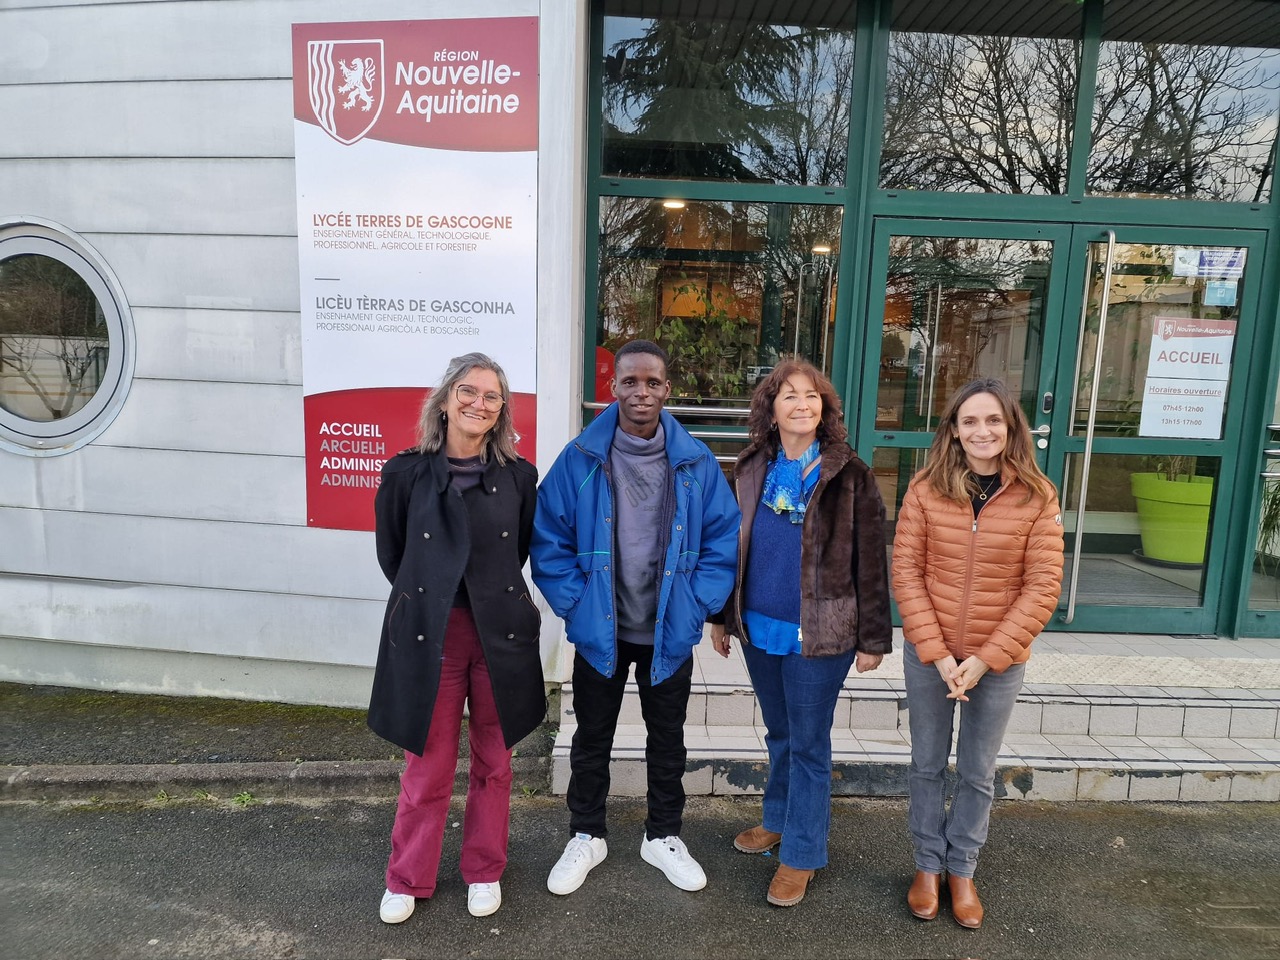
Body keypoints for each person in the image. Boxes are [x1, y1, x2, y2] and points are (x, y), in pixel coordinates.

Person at [531, 339, 739, 896]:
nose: (641, 392)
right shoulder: (580, 458)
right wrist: (576, 604)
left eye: (652, 382)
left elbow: (722, 539)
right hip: (601, 628)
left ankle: (663, 835)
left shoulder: (695, 461)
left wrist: (696, 603)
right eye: (630, 382)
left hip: (667, 630)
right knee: (591, 736)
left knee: (667, 739)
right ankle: (586, 834)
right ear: (613, 387)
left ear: (667, 388)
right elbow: (548, 538)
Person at [709, 359, 893, 907]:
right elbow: (728, 546)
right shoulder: (750, 467)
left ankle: (802, 854)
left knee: (809, 743)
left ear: (824, 409)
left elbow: (871, 562)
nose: (802, 404)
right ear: (771, 409)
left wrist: (873, 638)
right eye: (789, 395)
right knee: (780, 732)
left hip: (820, 632)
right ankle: (778, 819)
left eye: (812, 396)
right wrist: (721, 616)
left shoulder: (850, 475)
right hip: (758, 625)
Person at [369, 353, 544, 925]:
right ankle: (407, 877)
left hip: (500, 635)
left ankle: (484, 869)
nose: (478, 403)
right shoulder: (405, 473)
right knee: (428, 764)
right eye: (468, 391)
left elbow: (518, 551)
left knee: (495, 761)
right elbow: (395, 556)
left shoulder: (519, 476)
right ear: (445, 400)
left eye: (491, 396)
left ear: (501, 410)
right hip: (431, 636)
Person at [892, 377, 1064, 929]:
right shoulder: (925, 489)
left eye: (993, 420)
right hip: (931, 655)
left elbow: (1042, 586)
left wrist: (987, 658)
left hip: (999, 660)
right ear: (954, 430)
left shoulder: (1038, 496)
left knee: (977, 770)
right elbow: (907, 572)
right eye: (970, 421)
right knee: (925, 764)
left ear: (1011, 427)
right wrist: (939, 654)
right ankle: (927, 865)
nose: (982, 430)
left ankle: (961, 869)